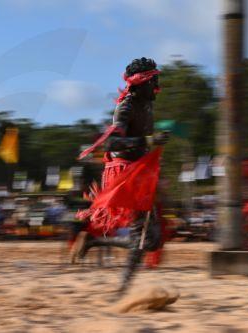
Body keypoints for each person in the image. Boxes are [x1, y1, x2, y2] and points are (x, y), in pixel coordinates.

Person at [72, 57, 169, 294]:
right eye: (154, 79)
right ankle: (122, 291)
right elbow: (112, 142)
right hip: (125, 170)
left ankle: (95, 242)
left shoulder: (146, 102)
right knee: (142, 235)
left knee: (151, 240)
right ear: (143, 81)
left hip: (140, 170)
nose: (158, 85)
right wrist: (148, 140)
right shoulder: (126, 105)